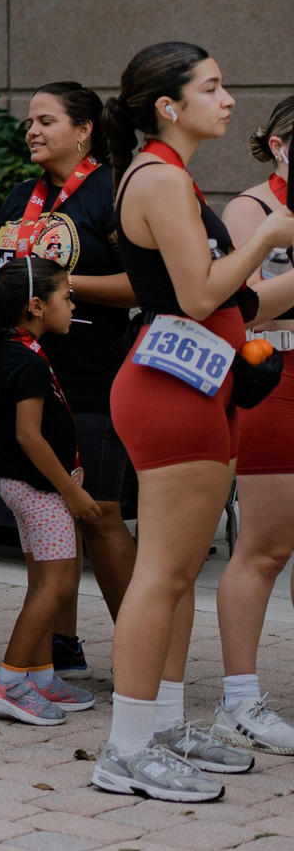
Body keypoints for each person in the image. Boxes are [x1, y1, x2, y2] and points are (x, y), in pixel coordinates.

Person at [94, 43, 294, 801]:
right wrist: (269, 238)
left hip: (198, 382)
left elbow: (238, 303)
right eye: (212, 86)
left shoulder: (166, 178)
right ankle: (126, 746)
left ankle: (164, 721)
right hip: (172, 390)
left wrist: (277, 265)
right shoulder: (161, 179)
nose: (230, 98)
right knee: (164, 574)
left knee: (179, 575)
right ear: (168, 106)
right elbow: (205, 292)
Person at [0, 83, 138, 678]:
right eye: (28, 120)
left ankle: (139, 645)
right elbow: (1, 286)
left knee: (99, 513)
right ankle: (58, 645)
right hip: (29, 377)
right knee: (47, 515)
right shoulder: (20, 196)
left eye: (45, 120)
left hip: (95, 376)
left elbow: (143, 283)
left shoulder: (114, 191)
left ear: (84, 131)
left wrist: (59, 290)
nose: (31, 130)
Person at [0, 257, 100, 728]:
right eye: (67, 296)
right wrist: (71, 492)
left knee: (44, 582)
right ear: (37, 306)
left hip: (26, 486)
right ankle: (8, 681)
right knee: (59, 583)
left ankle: (39, 675)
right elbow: (29, 436)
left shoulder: (18, 350)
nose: (73, 303)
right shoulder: (24, 360)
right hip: (38, 489)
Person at [212, 96, 294, 754]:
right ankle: (239, 700)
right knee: (265, 547)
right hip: (276, 379)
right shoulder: (252, 211)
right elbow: (242, 307)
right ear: (274, 143)